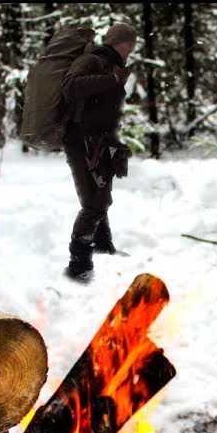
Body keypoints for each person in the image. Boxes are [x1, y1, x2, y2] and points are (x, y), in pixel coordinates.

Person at [60, 22, 137, 282]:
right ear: (119, 42)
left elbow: (104, 112)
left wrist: (117, 145)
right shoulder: (93, 60)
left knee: (101, 195)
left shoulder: (111, 64)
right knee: (94, 202)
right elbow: (71, 87)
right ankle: (78, 265)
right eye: (130, 43)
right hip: (81, 139)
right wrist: (111, 79)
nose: (132, 48)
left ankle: (103, 249)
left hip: (99, 140)